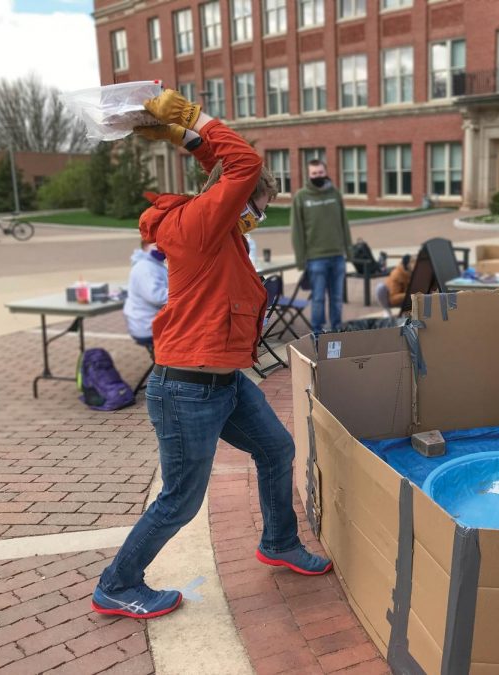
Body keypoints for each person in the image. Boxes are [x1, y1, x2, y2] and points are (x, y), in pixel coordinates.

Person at [91, 89, 331, 621]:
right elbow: (241, 164)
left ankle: (280, 543)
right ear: (237, 201)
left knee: (276, 451)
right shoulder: (200, 227)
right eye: (259, 209)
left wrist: (188, 139)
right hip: (187, 389)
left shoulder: (223, 237)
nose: (258, 219)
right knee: (180, 498)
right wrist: (192, 119)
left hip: (226, 384)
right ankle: (117, 584)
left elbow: (225, 174)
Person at [290, 159, 352, 333]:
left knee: (337, 298)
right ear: (309, 176)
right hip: (315, 259)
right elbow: (297, 231)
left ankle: (337, 331)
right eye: (314, 173)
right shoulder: (301, 197)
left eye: (320, 172)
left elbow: (343, 223)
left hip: (338, 256)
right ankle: (317, 335)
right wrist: (301, 260)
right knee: (318, 299)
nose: (318, 176)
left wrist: (349, 250)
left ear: (325, 172)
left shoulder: (335, 194)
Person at [123, 240, 168, 347]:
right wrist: (183, 294)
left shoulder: (154, 264)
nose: (162, 249)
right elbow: (157, 297)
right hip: (148, 326)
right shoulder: (145, 268)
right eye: (157, 246)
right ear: (145, 246)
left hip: (150, 323)